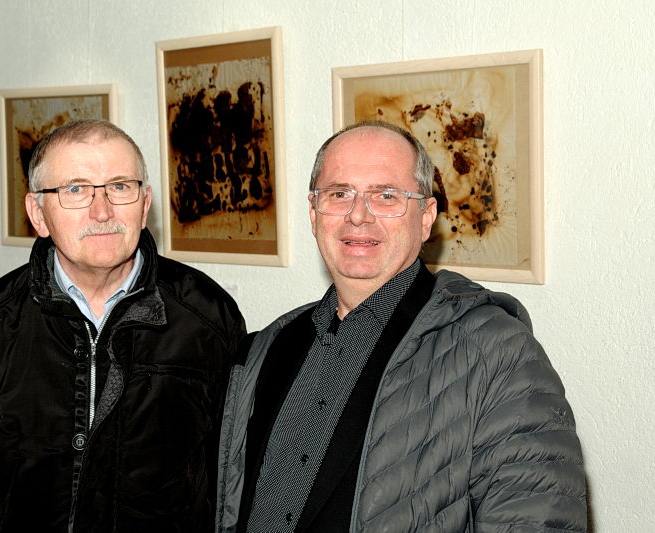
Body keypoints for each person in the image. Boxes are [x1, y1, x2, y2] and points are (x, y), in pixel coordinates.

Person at [215, 120, 586, 532]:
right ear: (313, 213)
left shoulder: (496, 353)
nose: (358, 216)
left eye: (386, 196)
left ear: (426, 217)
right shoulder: (271, 345)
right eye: (339, 194)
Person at [0, 119, 246, 532]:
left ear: (144, 204)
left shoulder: (207, 320)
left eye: (120, 186)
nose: (102, 211)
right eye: (76, 190)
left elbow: (233, 488)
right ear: (38, 214)